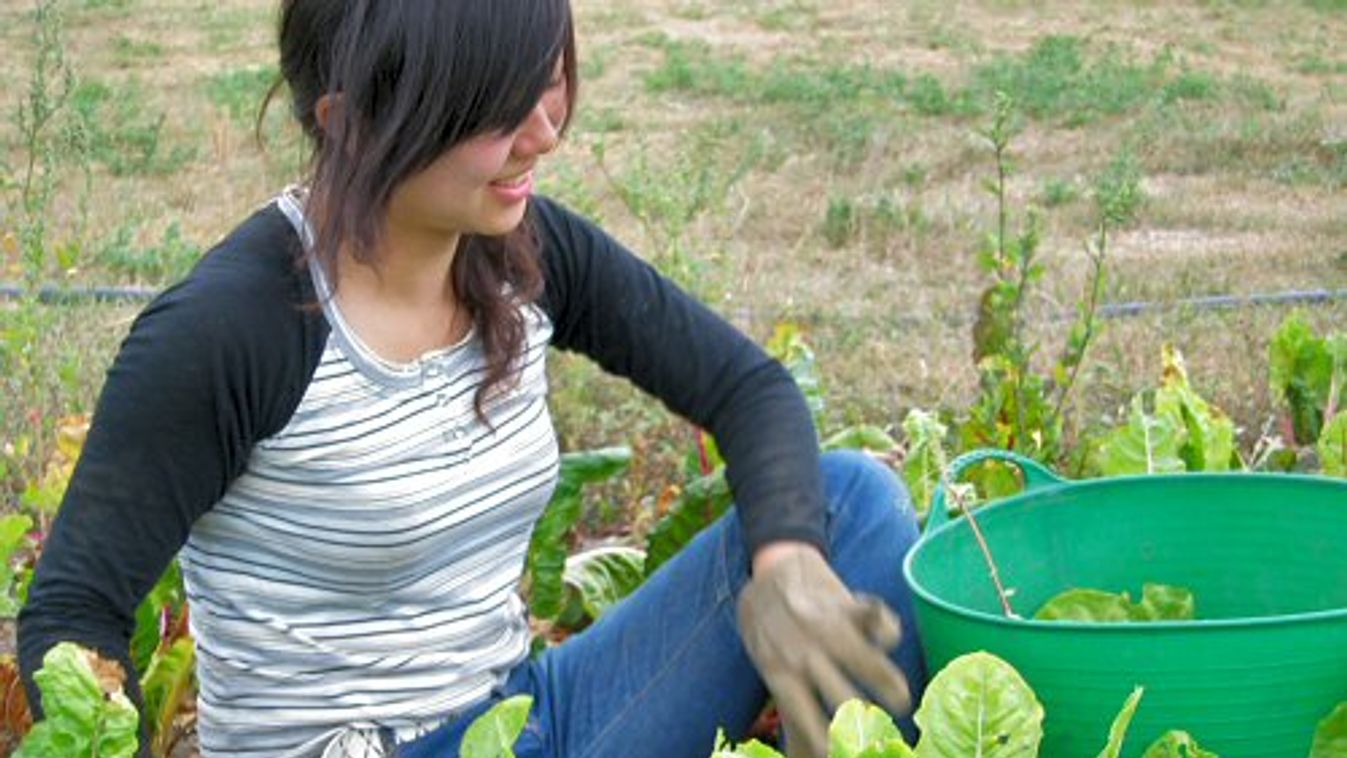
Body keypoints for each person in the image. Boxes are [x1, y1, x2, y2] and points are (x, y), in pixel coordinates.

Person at [17, 2, 927, 756]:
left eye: (546, 84)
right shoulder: (231, 329)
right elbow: (74, 610)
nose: (544, 133)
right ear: (349, 123)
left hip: (528, 718)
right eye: (495, 109)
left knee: (850, 500)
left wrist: (785, 564)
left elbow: (748, 387)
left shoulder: (520, 249)